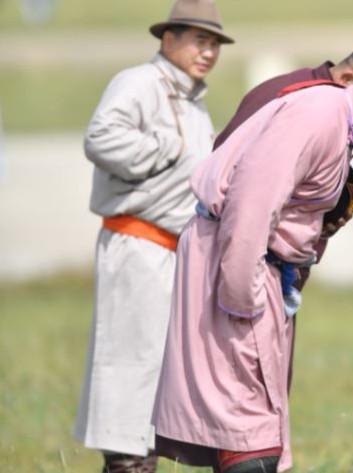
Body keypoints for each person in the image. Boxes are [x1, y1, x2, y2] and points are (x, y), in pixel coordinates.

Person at [151, 81, 353, 473]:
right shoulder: (320, 116)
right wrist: (243, 297)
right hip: (237, 268)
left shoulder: (336, 124)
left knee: (255, 416)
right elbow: (252, 201)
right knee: (248, 417)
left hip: (257, 269)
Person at [73, 1, 234, 472]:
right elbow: (100, 138)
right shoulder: (139, 83)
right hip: (137, 245)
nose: (208, 52)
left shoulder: (191, 100)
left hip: (170, 254)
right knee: (129, 370)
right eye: (198, 40)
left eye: (214, 44)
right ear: (168, 40)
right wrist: (168, 149)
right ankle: (128, 464)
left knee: (155, 376)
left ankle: (138, 462)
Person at [213, 44, 353, 391]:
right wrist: (245, 292)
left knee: (264, 392)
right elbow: (247, 196)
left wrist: (326, 224)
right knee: (238, 396)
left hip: (274, 273)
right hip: (239, 268)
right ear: (348, 79)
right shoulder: (298, 101)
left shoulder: (332, 115)